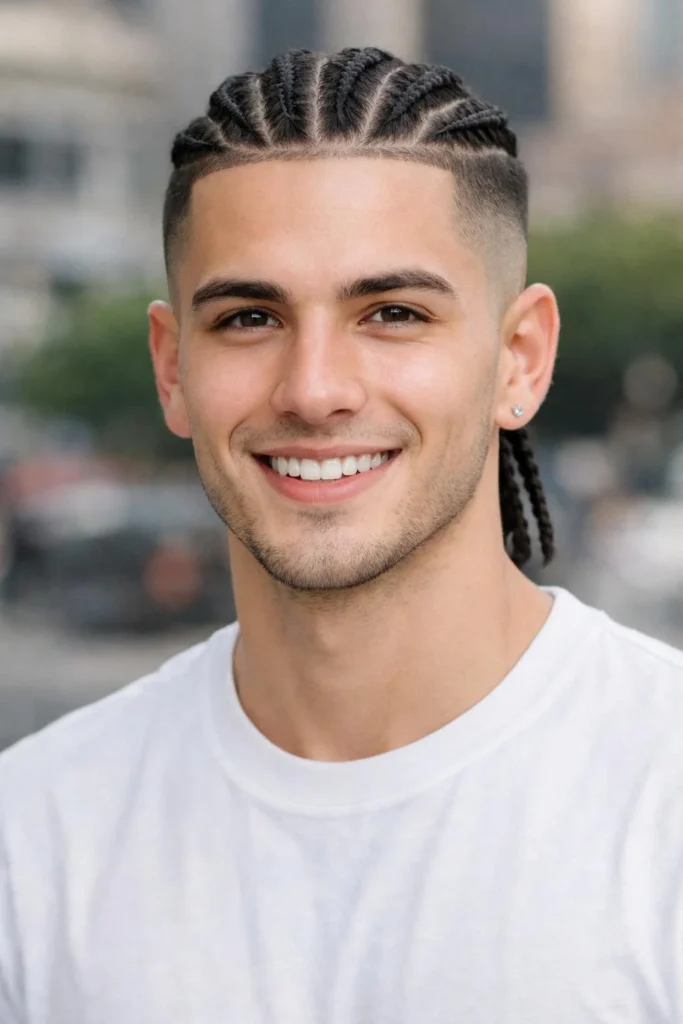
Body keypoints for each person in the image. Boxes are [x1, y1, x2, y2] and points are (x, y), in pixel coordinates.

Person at [1, 46, 683, 1024]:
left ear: (518, 358)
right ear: (170, 366)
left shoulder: (658, 800)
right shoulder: (33, 838)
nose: (314, 388)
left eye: (392, 312)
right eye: (247, 318)